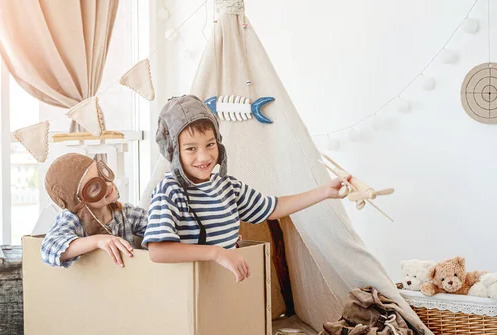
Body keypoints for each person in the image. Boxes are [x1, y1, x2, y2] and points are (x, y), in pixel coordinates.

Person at [142, 95, 350, 282]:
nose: (204, 157)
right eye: (191, 149)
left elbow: (272, 207)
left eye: (210, 144)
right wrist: (216, 253)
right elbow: (158, 251)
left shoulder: (227, 187)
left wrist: (324, 191)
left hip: (226, 287)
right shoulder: (169, 191)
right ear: (173, 151)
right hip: (190, 291)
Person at [41, 153, 147, 268]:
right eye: (95, 187)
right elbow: (48, 249)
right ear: (78, 202)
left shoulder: (125, 213)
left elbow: (157, 225)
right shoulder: (73, 219)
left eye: (103, 174)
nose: (108, 184)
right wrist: (97, 241)